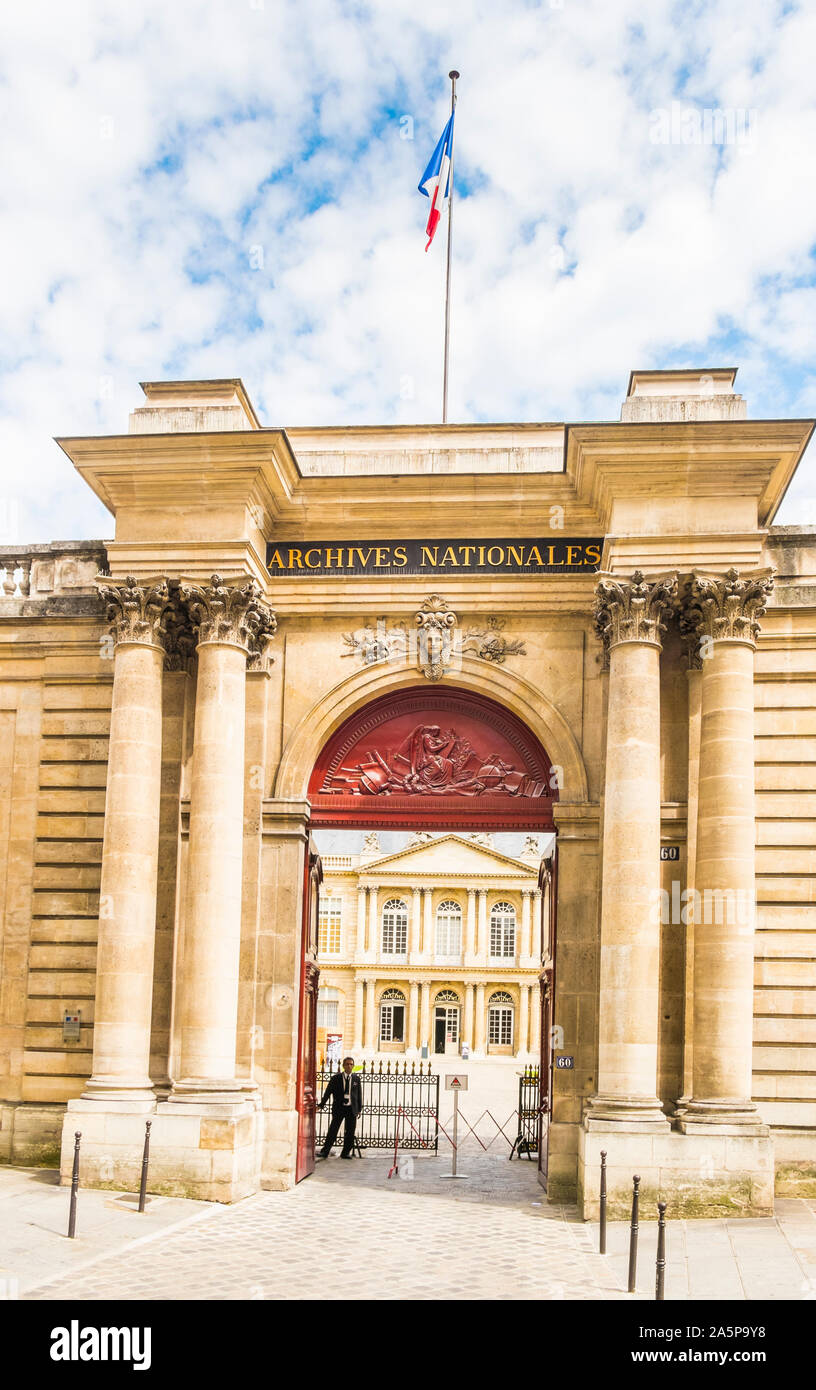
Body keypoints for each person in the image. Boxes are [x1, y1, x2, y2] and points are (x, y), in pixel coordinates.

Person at [317, 1056, 363, 1159]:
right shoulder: (336, 1078)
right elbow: (328, 1092)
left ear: (353, 1066)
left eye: (351, 1064)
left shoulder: (356, 1079)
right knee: (333, 1130)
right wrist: (321, 1105)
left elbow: (359, 1095)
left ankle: (345, 1153)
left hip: (351, 1109)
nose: (349, 1066)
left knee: (350, 1132)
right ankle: (325, 1151)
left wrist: (359, 1109)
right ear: (343, 1066)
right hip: (339, 1108)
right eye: (347, 1064)